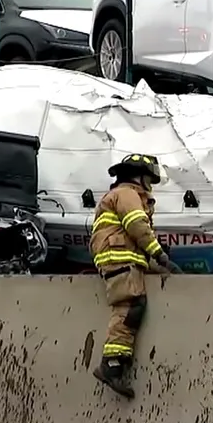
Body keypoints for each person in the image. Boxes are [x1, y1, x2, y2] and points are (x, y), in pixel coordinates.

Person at [90, 154, 181, 398]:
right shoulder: (128, 194)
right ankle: (111, 364)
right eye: (149, 180)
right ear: (138, 176)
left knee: (134, 305)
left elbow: (135, 237)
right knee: (129, 306)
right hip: (118, 257)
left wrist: (162, 265)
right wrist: (159, 254)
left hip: (120, 256)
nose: (150, 187)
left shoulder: (122, 195)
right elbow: (137, 227)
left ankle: (115, 362)